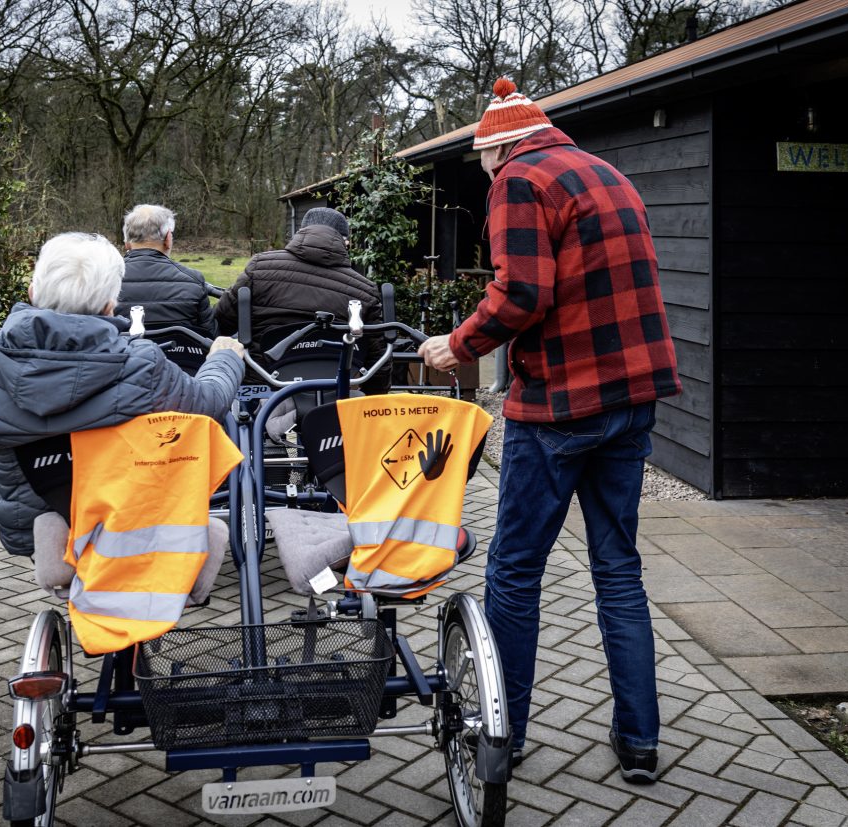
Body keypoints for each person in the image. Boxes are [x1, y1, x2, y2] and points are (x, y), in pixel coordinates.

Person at [419, 78, 681, 781]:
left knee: (514, 570)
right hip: (633, 397)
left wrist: (458, 344)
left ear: (498, 144)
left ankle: (504, 735)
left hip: (562, 405)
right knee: (618, 568)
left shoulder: (520, 178)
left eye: (483, 163)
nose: (486, 177)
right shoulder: (607, 174)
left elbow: (522, 291)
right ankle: (640, 742)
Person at [0, 231, 245, 560]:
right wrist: (224, 358)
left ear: (32, 293)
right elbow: (209, 404)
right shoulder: (141, 363)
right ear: (109, 305)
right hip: (125, 522)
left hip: (35, 526)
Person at [213, 207, 391, 392]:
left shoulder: (259, 267)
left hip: (263, 391)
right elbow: (378, 360)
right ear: (345, 241)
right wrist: (374, 400)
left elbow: (220, 323)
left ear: (300, 233)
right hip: (332, 394)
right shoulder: (364, 291)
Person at [114, 204, 217, 338]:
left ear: (127, 242)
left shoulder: (106, 280)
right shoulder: (193, 280)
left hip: (124, 356)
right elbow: (210, 335)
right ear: (168, 239)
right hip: (178, 358)